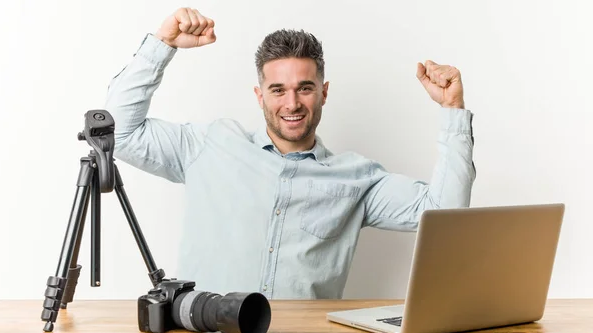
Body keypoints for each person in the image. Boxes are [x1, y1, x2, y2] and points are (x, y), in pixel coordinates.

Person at [105, 7, 476, 299]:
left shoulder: (358, 179)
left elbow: (444, 212)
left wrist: (452, 110)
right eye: (278, 90)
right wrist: (162, 43)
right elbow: (115, 132)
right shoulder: (208, 146)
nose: (292, 103)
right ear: (260, 95)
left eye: (305, 88)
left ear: (324, 92)